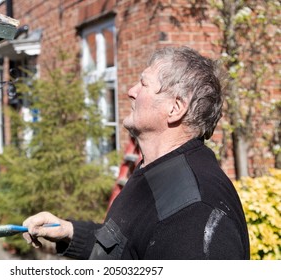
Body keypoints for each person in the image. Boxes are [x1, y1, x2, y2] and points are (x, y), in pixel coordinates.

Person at [22, 46, 250, 259]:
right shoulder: (156, 172)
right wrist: (69, 231)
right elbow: (127, 247)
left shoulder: (194, 213)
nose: (131, 91)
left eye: (143, 84)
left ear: (175, 108)